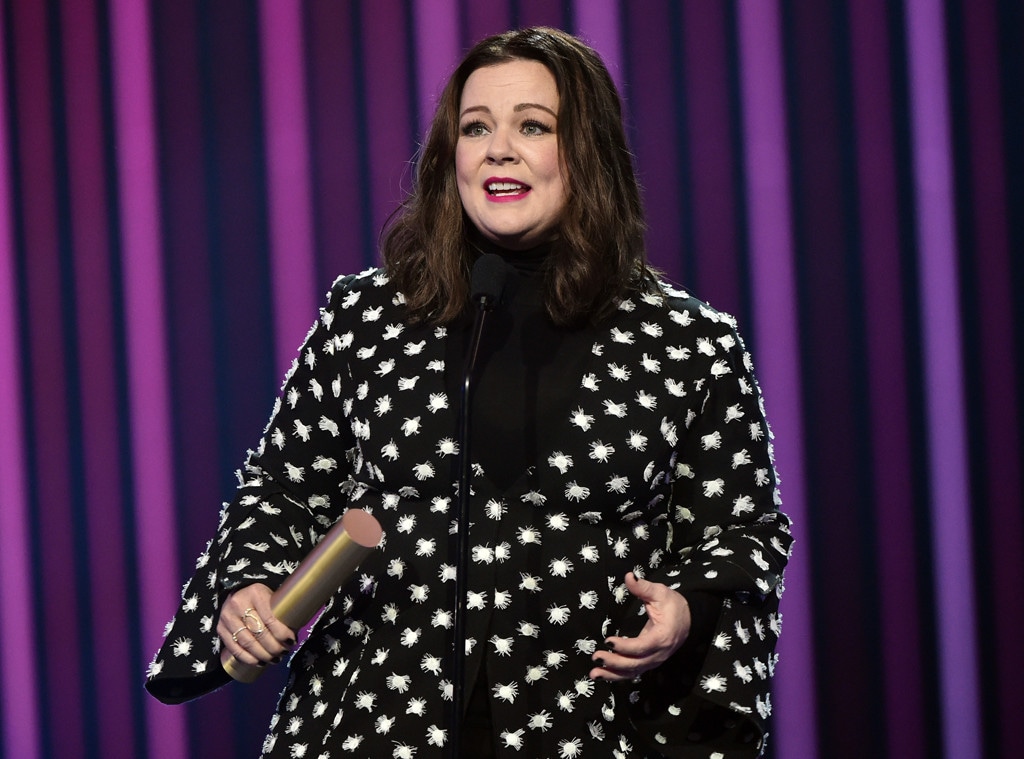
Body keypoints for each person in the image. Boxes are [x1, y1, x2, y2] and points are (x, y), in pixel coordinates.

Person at [146, 26, 793, 759]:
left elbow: (741, 535)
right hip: (375, 720)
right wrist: (249, 585)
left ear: (588, 151)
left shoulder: (688, 344)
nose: (497, 150)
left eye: (533, 127)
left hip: (584, 725)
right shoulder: (367, 317)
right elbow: (282, 490)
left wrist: (685, 610)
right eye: (476, 127)